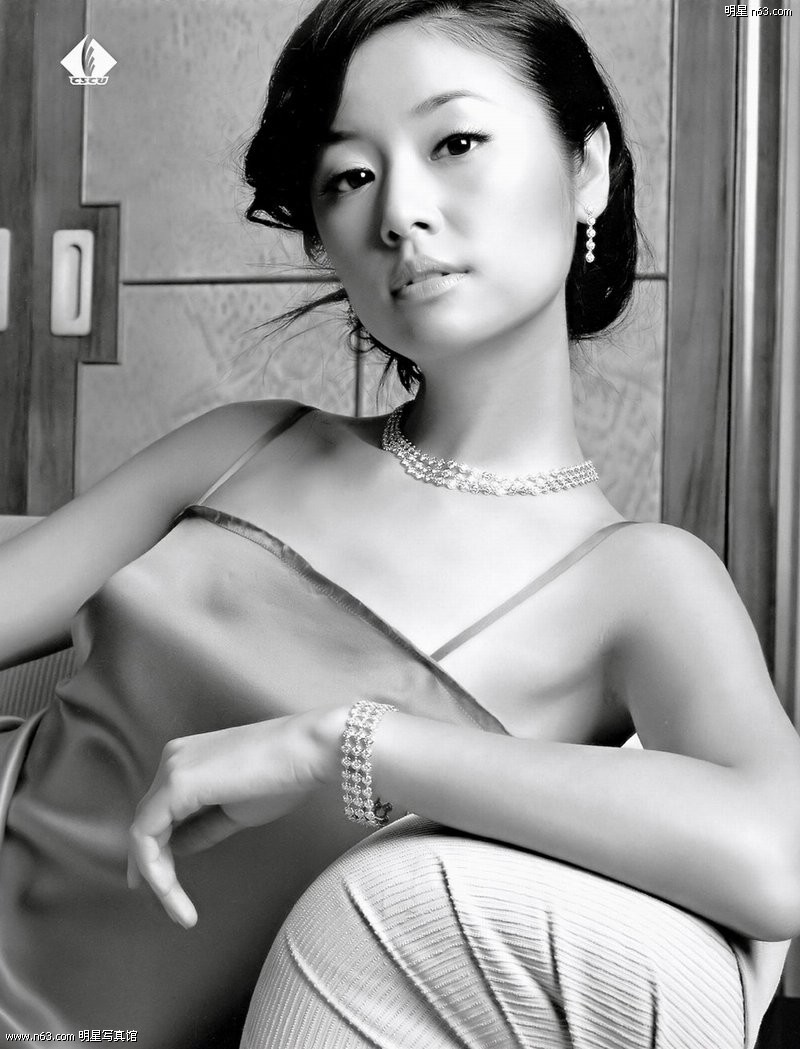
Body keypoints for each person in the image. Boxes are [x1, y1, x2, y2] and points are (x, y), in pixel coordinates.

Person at [1, 0, 798, 1046]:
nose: (398, 212)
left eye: (455, 142)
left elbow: (776, 858)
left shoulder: (639, 581)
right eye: (348, 176)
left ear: (588, 168)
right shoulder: (245, 443)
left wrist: (348, 743)